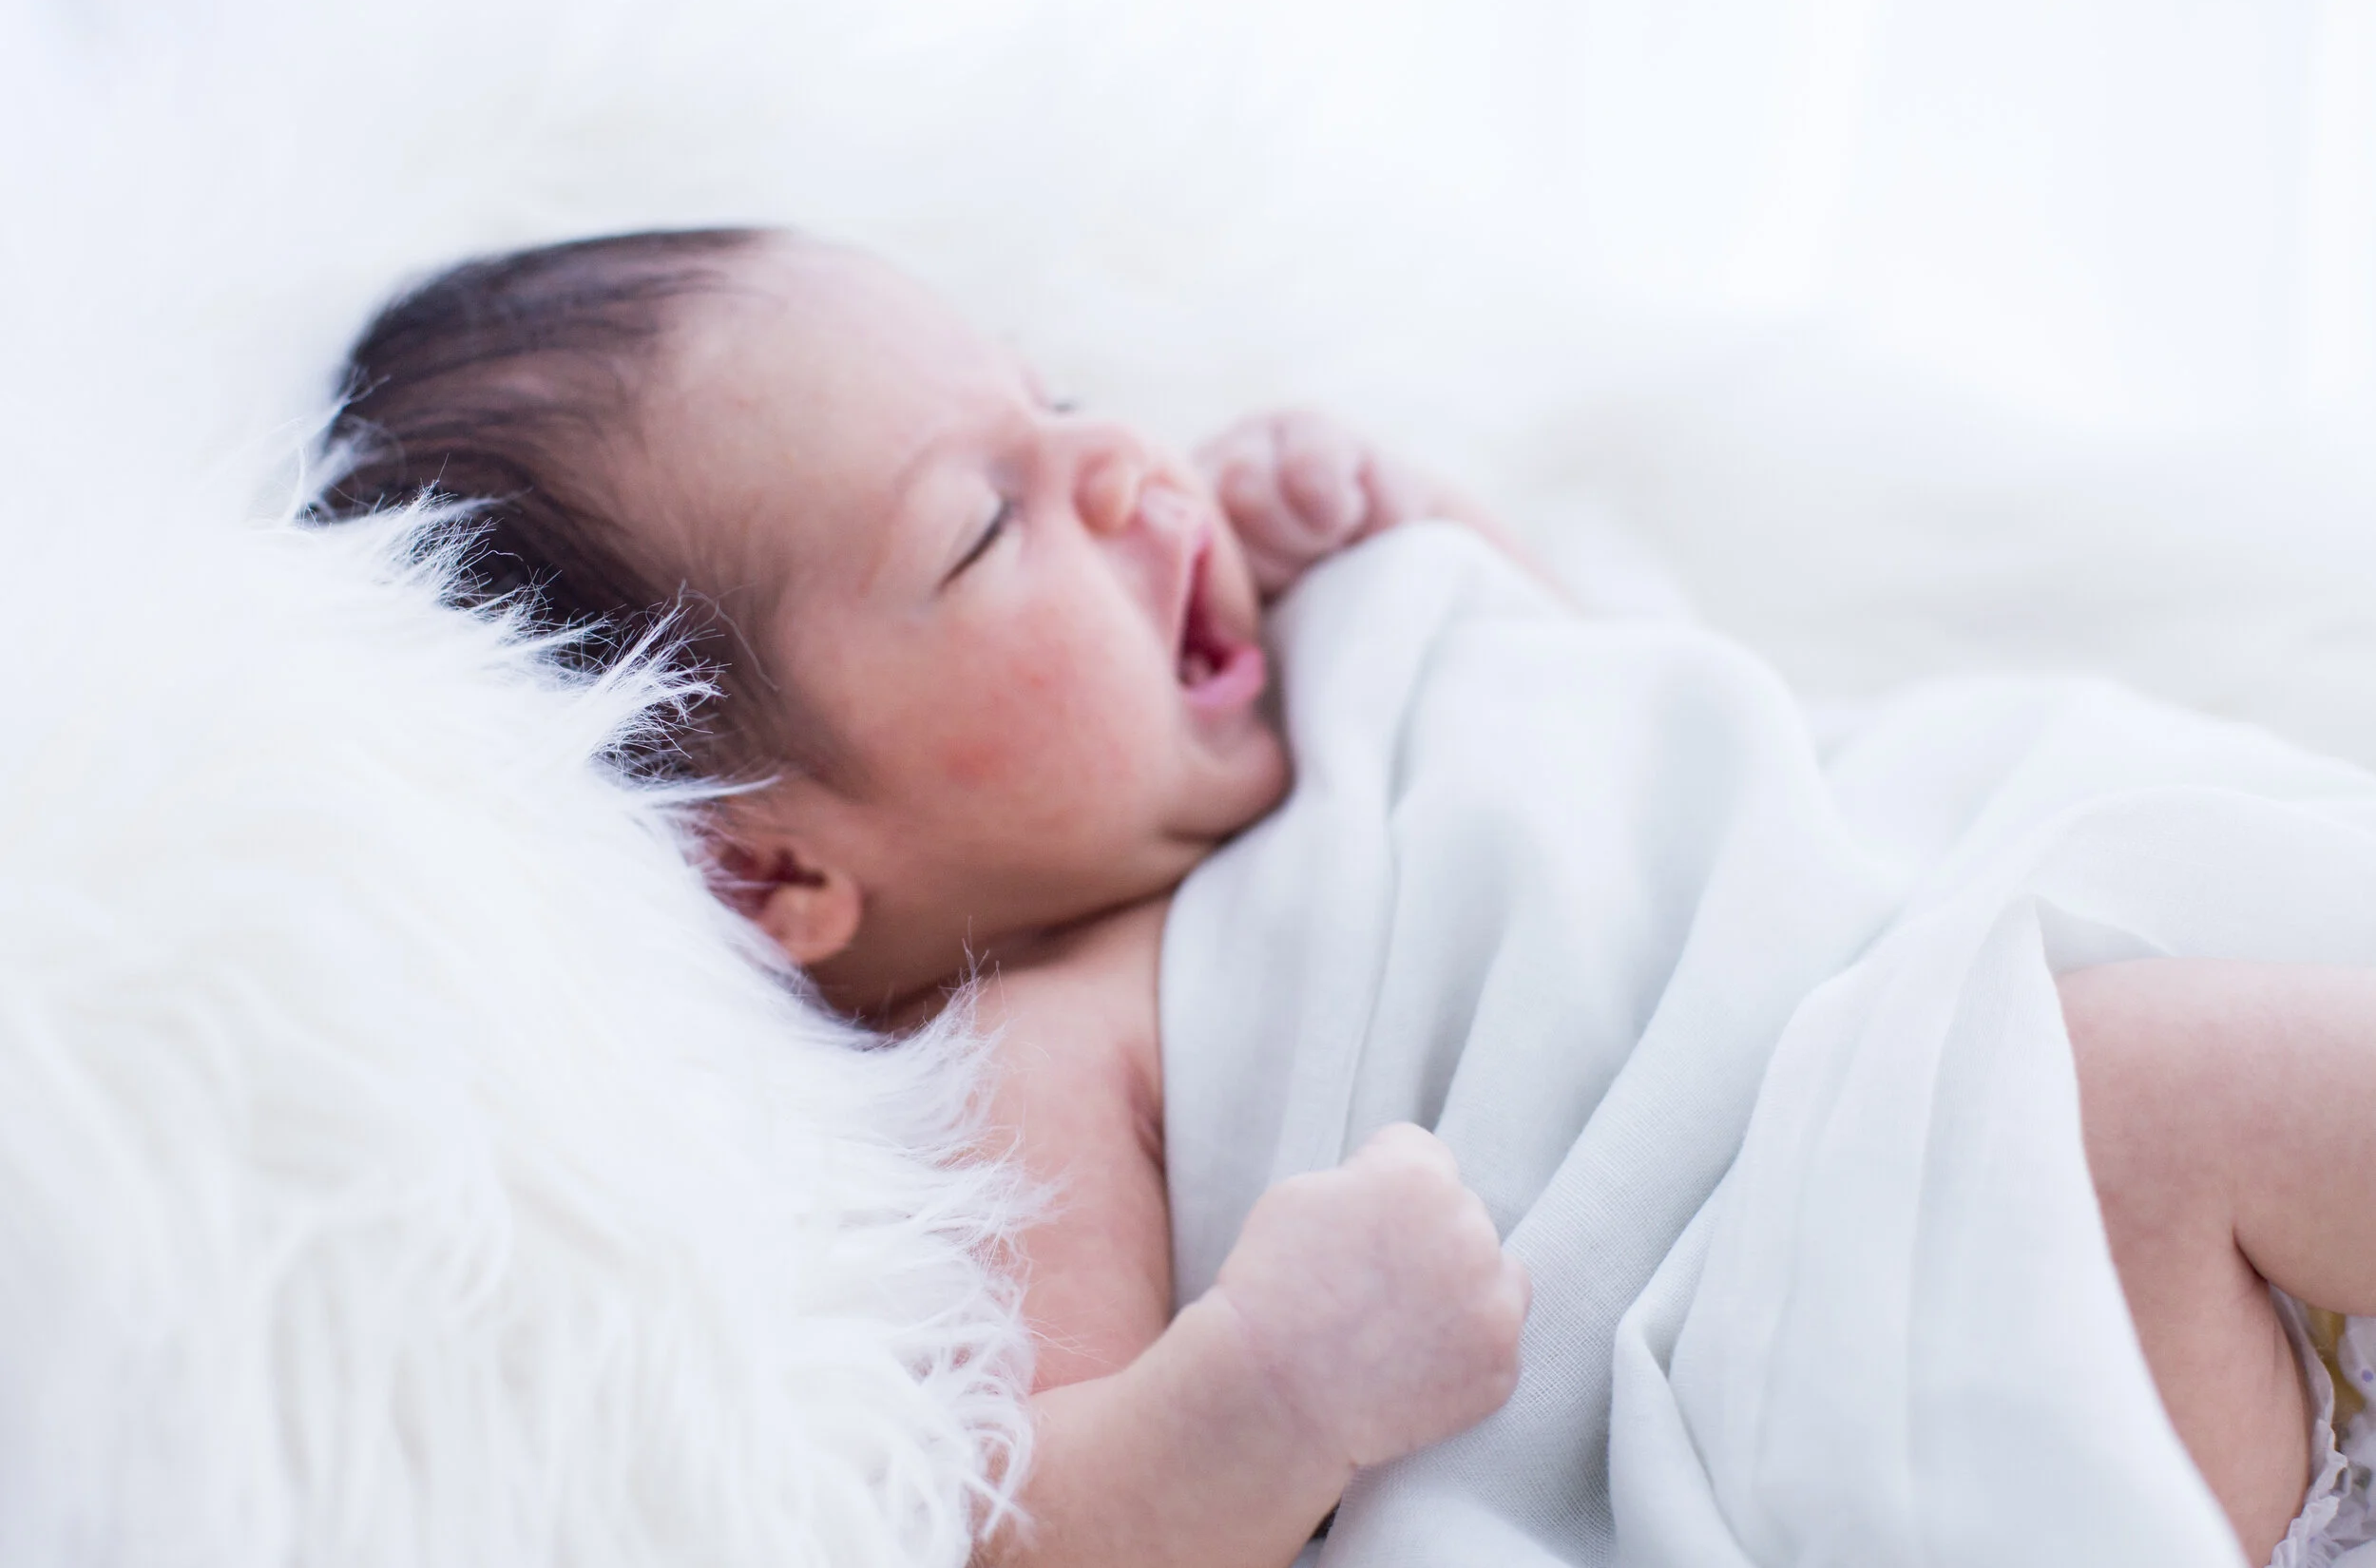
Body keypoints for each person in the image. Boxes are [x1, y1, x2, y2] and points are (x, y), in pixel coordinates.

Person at [318, 226, 2376, 1567]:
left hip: (1980, 987)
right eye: (982, 527)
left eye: (1048, 399)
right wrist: (1277, 1389)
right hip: (1870, 1328)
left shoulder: (1334, 669)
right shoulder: (1052, 1052)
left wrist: (1422, 534)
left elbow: (1654, 759)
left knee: (2170, 941)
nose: (1119, 466)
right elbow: (1045, 1528)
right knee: (2148, 1096)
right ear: (776, 865)